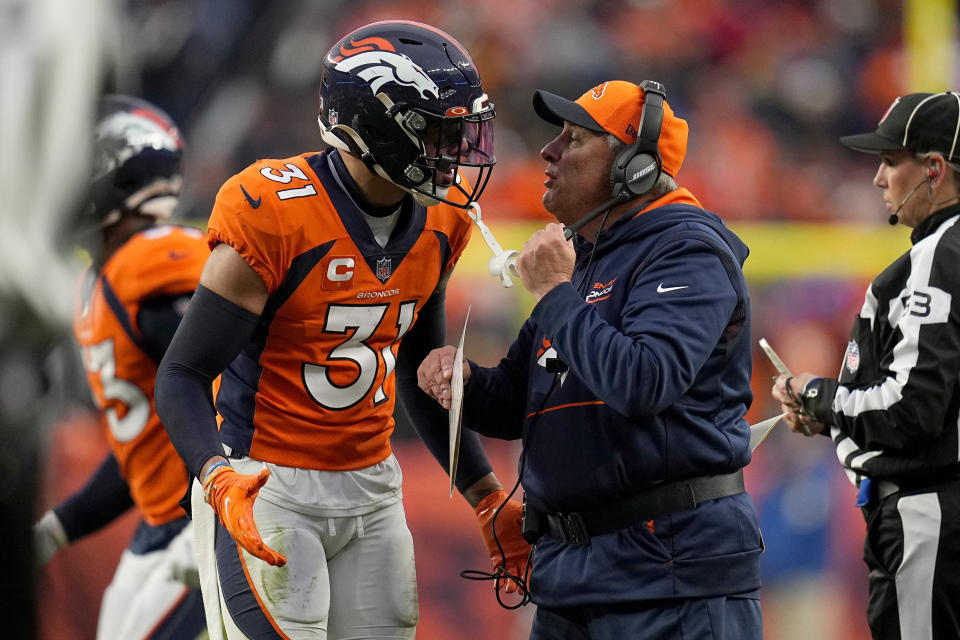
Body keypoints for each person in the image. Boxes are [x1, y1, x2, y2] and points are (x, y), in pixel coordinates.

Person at [154, 20, 529, 640]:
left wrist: (484, 491)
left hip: (372, 489)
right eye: (438, 129)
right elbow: (183, 372)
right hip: (269, 485)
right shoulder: (274, 210)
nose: (458, 147)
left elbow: (414, 366)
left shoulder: (440, 219)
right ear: (377, 123)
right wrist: (218, 478)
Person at [419, 79, 763, 639]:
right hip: (573, 578)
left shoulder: (688, 248)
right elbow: (516, 401)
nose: (548, 153)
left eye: (575, 139)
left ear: (636, 169)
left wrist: (554, 293)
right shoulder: (588, 258)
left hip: (669, 575)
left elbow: (644, 381)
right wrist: (462, 383)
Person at [772, 91, 960, 640]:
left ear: (934, 168)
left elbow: (912, 408)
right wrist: (835, 413)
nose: (878, 178)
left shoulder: (938, 254)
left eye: (889, 161)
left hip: (930, 516)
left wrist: (818, 396)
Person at [32, 95, 208, 639]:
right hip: (164, 522)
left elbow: (235, 387)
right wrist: (59, 529)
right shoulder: (104, 278)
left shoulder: (148, 264)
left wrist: (219, 516)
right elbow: (142, 452)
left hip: (212, 516)